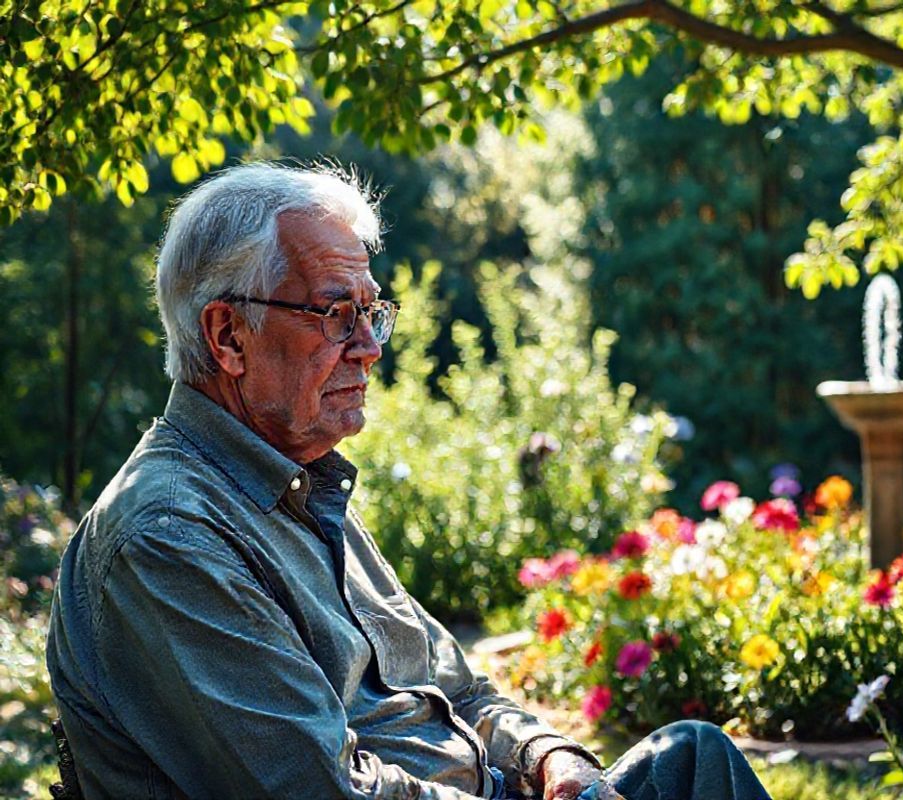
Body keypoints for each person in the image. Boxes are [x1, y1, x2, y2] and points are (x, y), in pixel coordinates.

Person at [45, 162, 773, 800]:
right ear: (228, 336)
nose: (368, 349)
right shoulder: (167, 537)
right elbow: (321, 790)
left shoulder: (300, 487)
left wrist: (551, 758)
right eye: (335, 314)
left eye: (372, 314)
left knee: (693, 759)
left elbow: (456, 686)